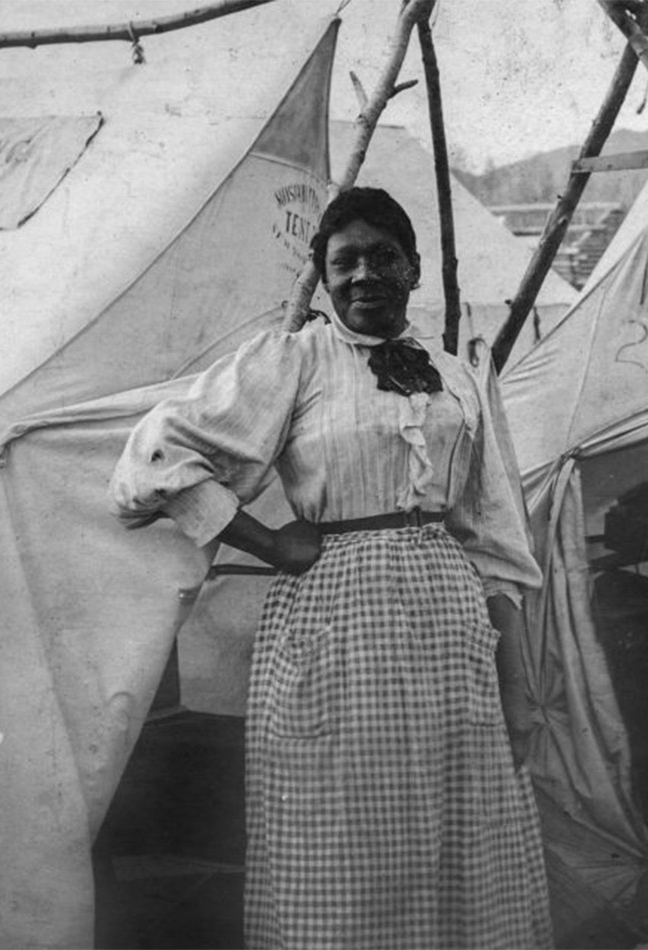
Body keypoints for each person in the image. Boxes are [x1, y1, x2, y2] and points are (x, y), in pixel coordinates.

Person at [108, 186, 550, 949]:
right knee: (350, 825)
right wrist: (268, 542)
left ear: (413, 269)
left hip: (449, 633)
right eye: (343, 263)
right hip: (336, 627)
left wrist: (516, 686)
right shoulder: (293, 361)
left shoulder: (457, 378)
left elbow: (497, 540)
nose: (363, 276)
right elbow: (153, 461)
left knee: (457, 819)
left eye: (383, 258)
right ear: (323, 277)